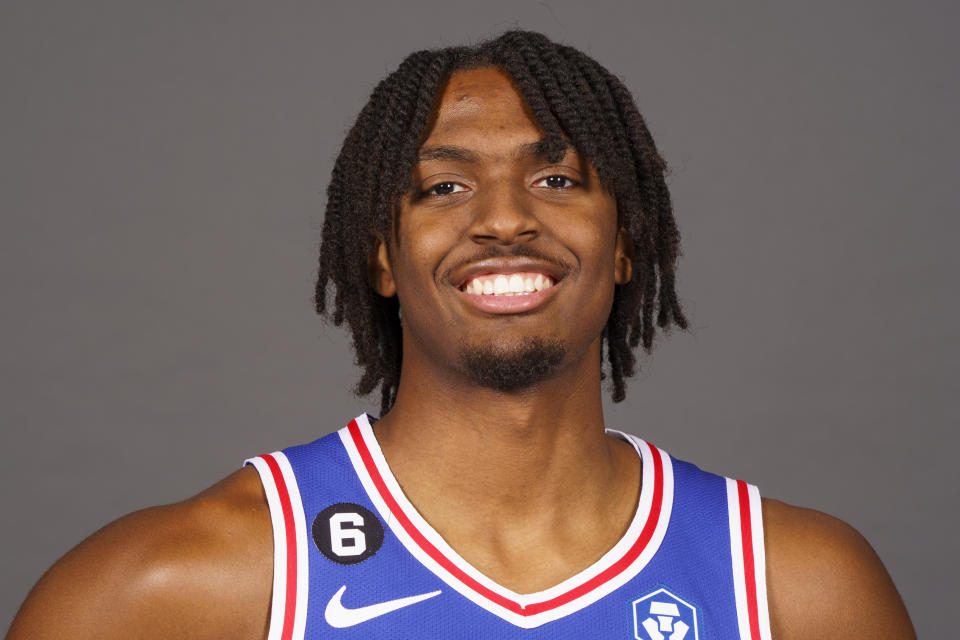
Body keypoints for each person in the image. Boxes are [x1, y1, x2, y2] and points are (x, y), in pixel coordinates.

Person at [6, 30, 914, 640]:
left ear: (628, 240)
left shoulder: (795, 590)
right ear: (381, 258)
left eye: (557, 180)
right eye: (444, 187)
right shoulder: (174, 589)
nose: (506, 220)